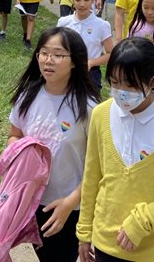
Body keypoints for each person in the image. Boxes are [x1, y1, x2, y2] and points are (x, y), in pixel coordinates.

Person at [75, 38, 154, 262]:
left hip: (152, 253)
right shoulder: (101, 115)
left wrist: (144, 221)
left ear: (153, 81)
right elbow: (92, 175)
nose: (121, 91)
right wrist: (84, 232)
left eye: (130, 85)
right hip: (104, 245)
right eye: (114, 82)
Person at [7, 27, 101, 261]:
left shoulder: (88, 107)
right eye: (44, 53)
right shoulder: (26, 97)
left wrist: (71, 202)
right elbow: (14, 135)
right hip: (32, 201)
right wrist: (17, 152)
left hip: (70, 206)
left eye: (58, 54)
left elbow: (98, 165)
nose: (48, 60)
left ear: (74, 62)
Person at [58, 0, 114, 90]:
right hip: (66, 70)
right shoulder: (63, 22)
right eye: (77, 0)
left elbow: (110, 53)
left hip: (90, 73)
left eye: (86, 0)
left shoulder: (101, 25)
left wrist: (91, 63)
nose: (82, 4)